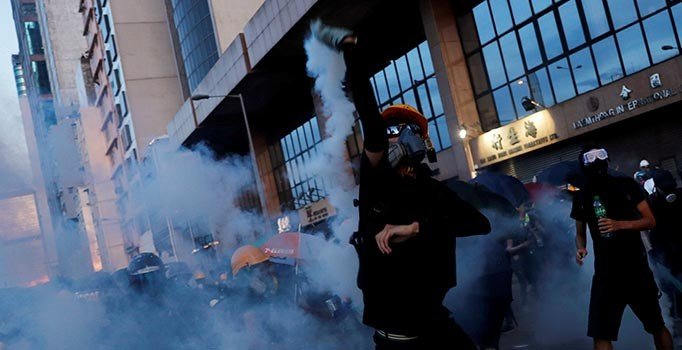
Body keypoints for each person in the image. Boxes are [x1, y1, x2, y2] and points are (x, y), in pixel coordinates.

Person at [311, 20, 491, 350]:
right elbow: (370, 119)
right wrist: (351, 51)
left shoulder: (432, 190)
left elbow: (480, 224)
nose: (399, 135)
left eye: (409, 129)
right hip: (398, 340)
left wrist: (415, 228)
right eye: (392, 129)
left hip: (436, 325)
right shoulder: (377, 184)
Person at [571, 145, 674, 350]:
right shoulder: (582, 196)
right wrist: (581, 248)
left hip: (636, 268)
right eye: (592, 157)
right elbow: (580, 231)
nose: (598, 161)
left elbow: (650, 221)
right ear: (584, 164)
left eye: (601, 155)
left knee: (656, 325)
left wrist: (620, 224)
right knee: (601, 333)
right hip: (605, 274)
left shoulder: (626, 185)